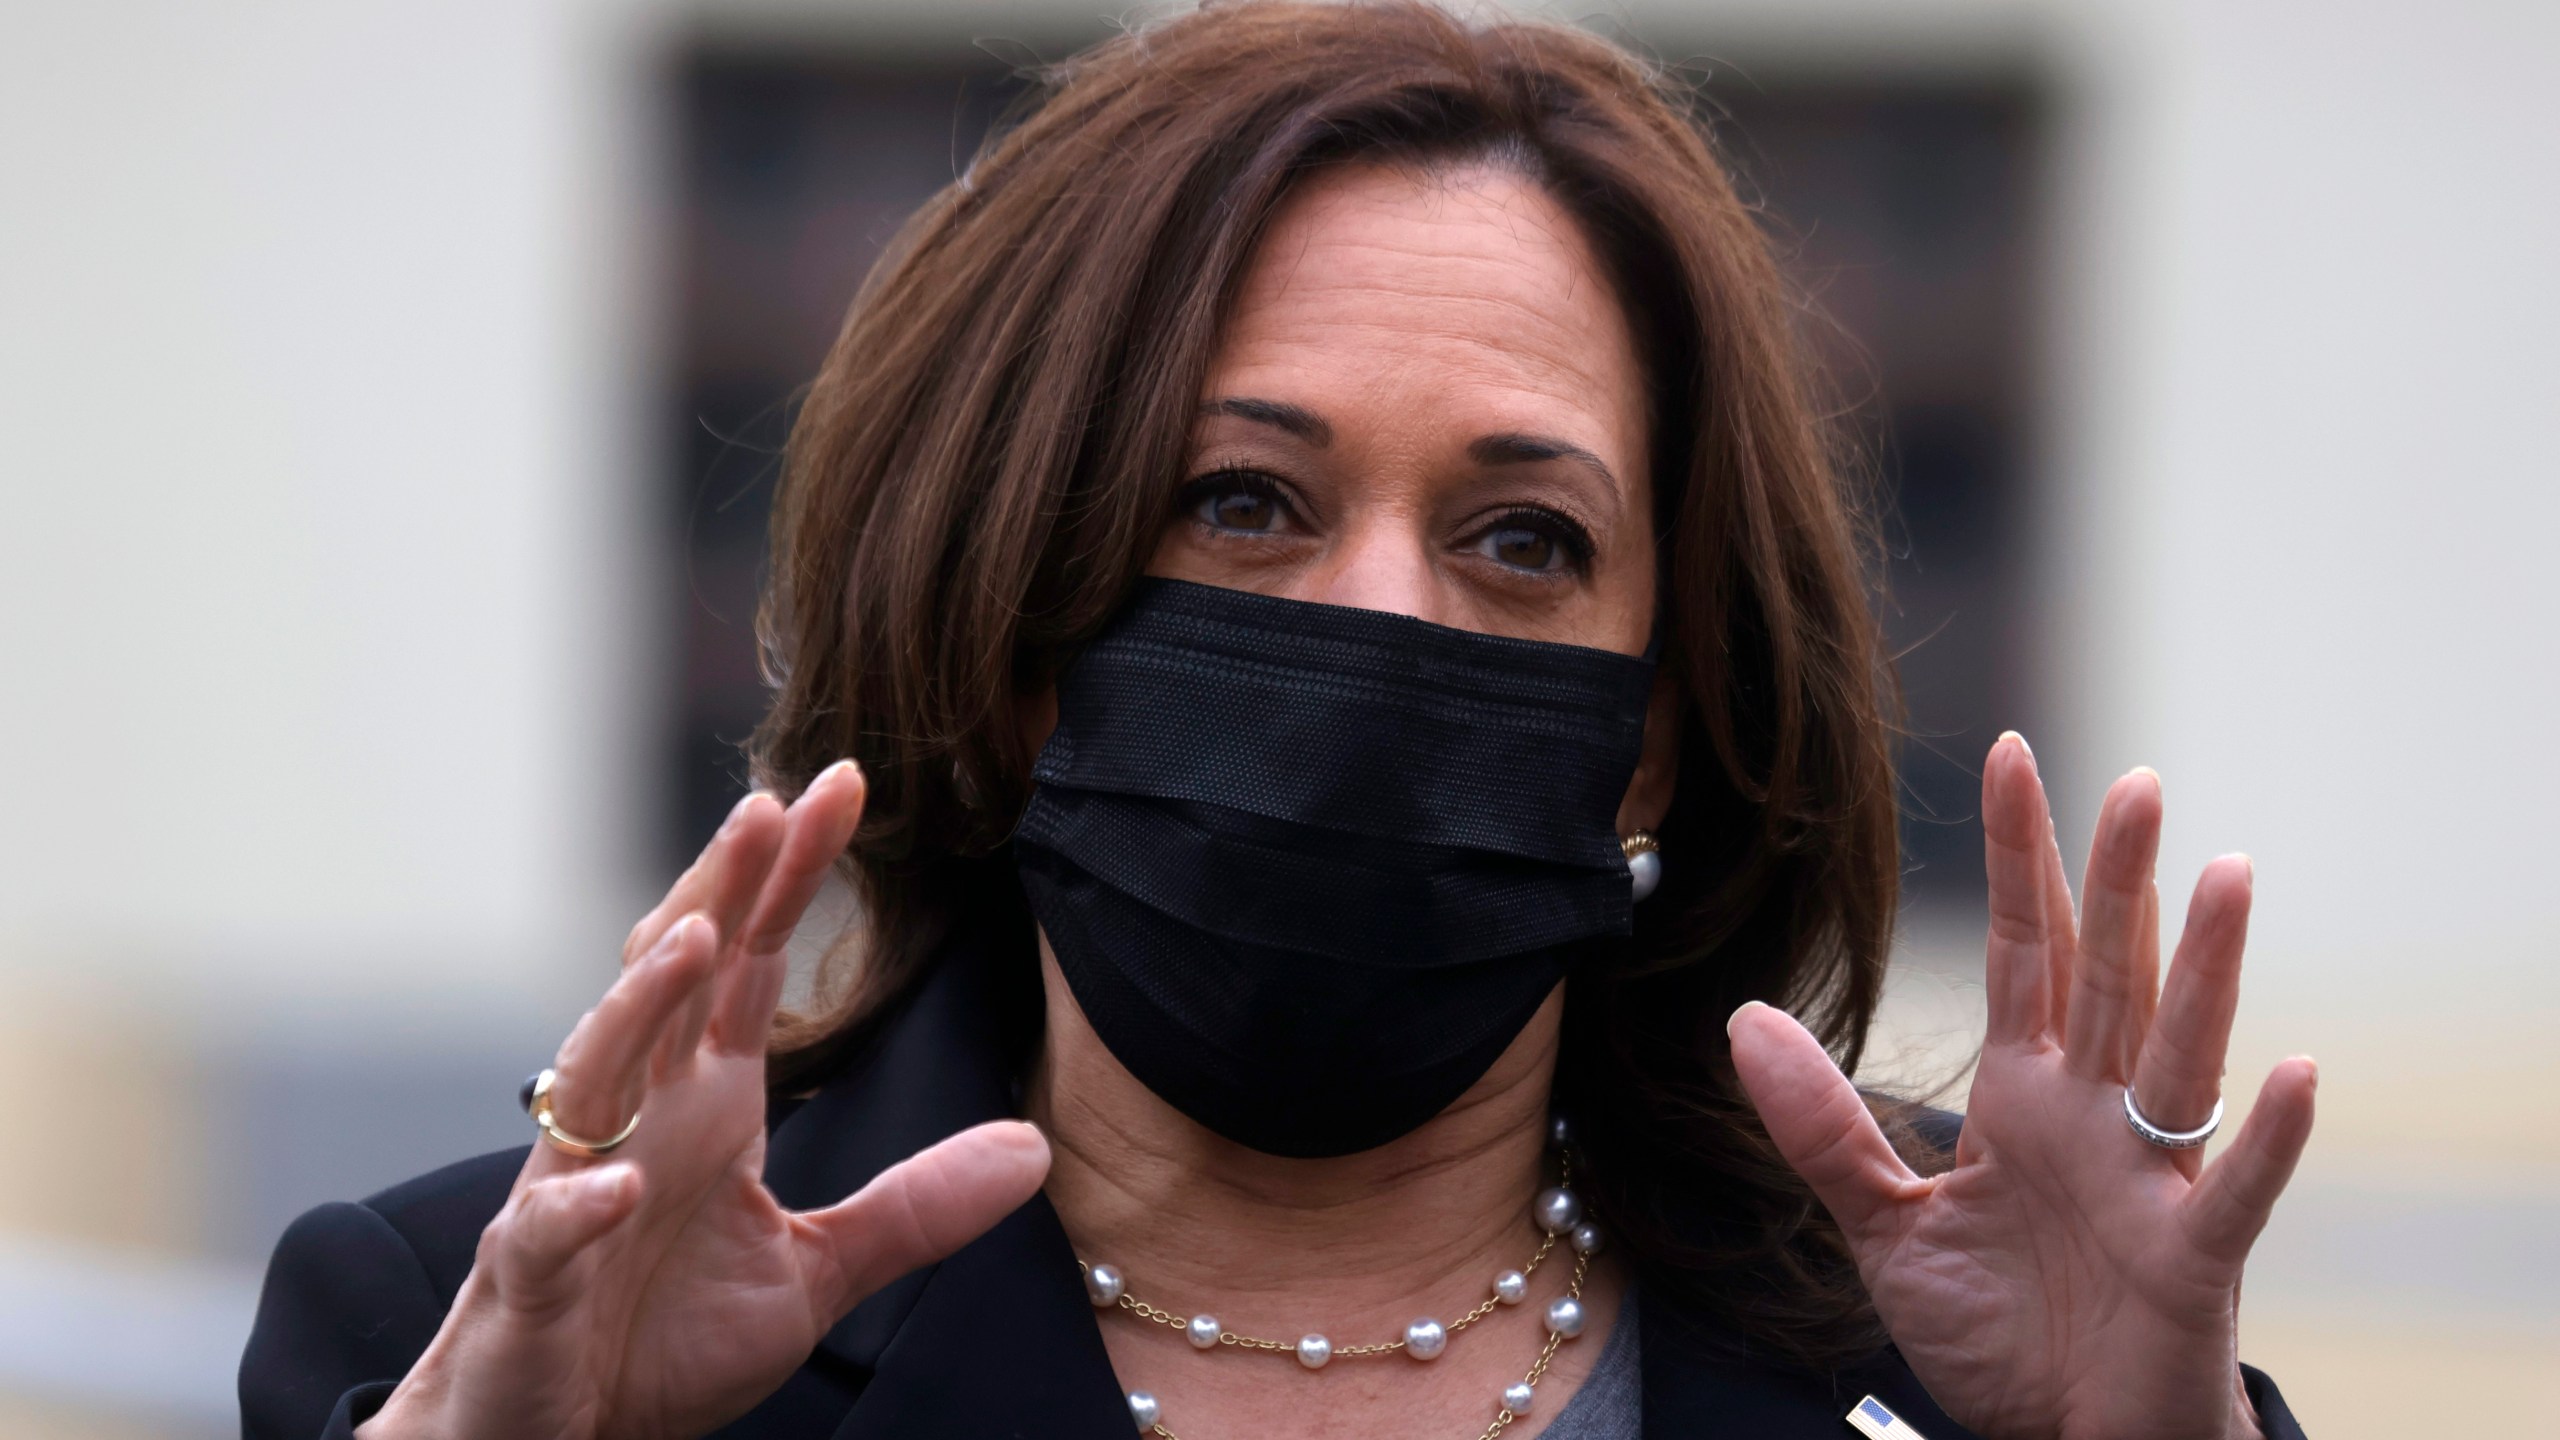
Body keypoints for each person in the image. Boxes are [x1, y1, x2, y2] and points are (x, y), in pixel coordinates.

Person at [239, 3, 2317, 1437]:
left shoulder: (1965, 1353)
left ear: (1661, 724)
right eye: (1240, 503)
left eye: (1520, 538)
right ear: (1014, 622)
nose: (1383, 626)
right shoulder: (499, 1323)